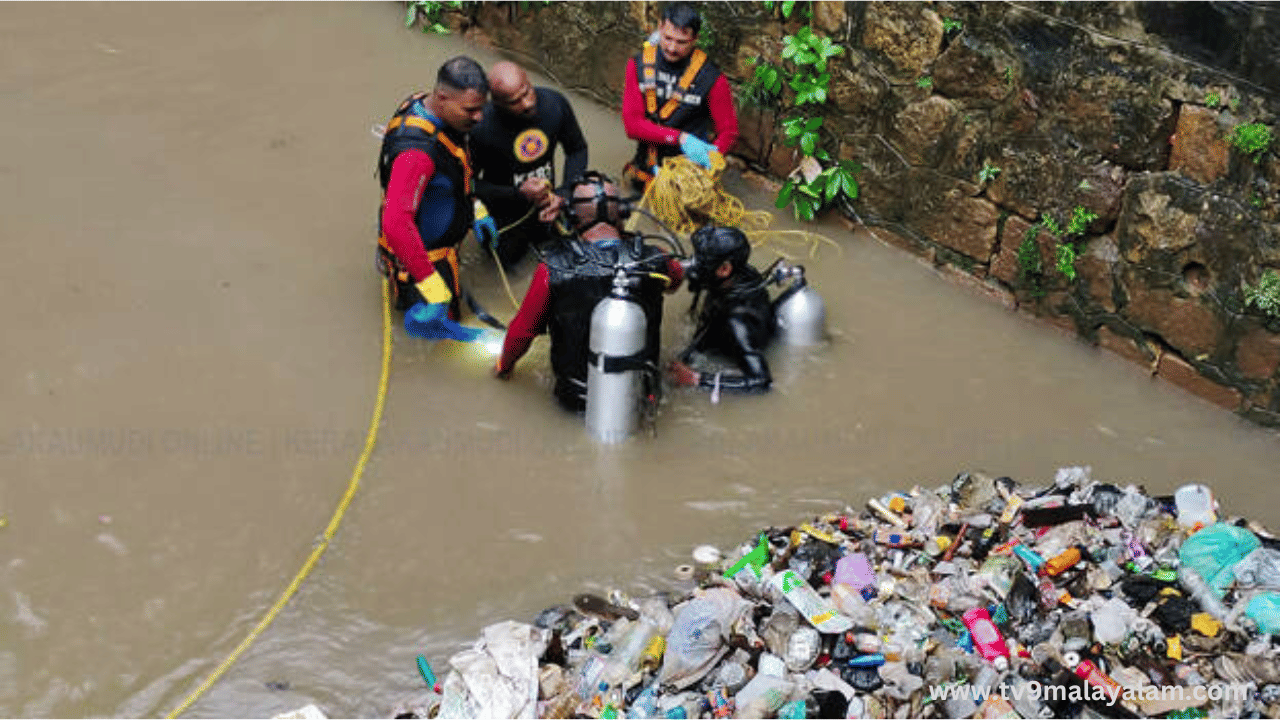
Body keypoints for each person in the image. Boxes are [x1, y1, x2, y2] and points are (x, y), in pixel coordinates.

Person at [494, 173, 685, 411]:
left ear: (573, 217)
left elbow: (522, 332)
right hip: (641, 397)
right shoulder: (657, 259)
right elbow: (676, 280)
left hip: (575, 401)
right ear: (623, 212)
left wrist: (503, 368)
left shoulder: (552, 268)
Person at [376, 56, 497, 318]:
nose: (479, 117)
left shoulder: (423, 104)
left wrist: (474, 207)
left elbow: (454, 166)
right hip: (425, 262)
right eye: (470, 110)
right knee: (441, 333)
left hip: (439, 241)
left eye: (481, 108)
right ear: (442, 97)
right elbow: (396, 223)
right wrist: (430, 284)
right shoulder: (416, 155)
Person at [471, 61, 589, 268]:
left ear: (528, 79)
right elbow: (467, 183)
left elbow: (576, 149)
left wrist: (564, 194)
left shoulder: (555, 104)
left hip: (549, 202)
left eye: (526, 92)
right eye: (514, 102)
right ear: (497, 102)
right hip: (505, 212)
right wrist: (517, 193)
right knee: (504, 263)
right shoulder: (480, 127)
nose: (526, 104)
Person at [621, 2, 739, 190]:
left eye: (682, 42)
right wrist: (680, 138)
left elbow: (728, 131)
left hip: (688, 179)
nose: (672, 48)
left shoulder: (712, 79)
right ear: (660, 27)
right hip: (645, 172)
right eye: (667, 38)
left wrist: (711, 159)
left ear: (695, 39)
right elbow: (632, 126)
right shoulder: (638, 65)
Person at [669, 225, 775, 394]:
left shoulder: (737, 322)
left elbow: (762, 381)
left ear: (725, 269)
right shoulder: (741, 275)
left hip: (734, 343)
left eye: (702, 261)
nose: (694, 264)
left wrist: (697, 379)